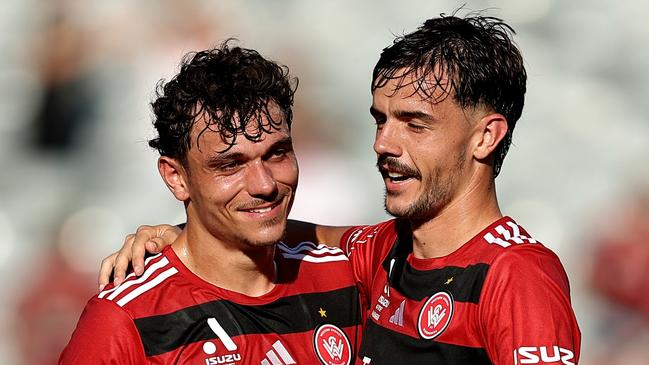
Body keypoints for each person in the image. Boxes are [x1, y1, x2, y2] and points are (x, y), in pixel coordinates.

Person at [101, 14, 581, 365]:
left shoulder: (517, 275)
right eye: (380, 119)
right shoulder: (383, 254)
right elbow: (297, 235)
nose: (383, 144)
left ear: (485, 136)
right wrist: (183, 234)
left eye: (415, 124)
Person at [60, 42, 362, 364]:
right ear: (176, 177)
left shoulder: (346, 276)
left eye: (277, 153)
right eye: (230, 165)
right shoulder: (127, 319)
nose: (264, 185)